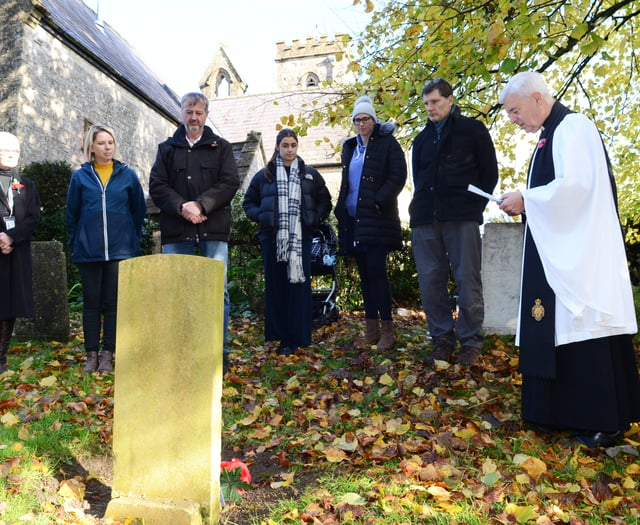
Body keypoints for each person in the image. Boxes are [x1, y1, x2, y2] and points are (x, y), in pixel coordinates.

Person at [498, 71, 640, 447]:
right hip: (561, 249)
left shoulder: (573, 127)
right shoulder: (551, 133)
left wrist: (527, 199)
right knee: (559, 328)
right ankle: (556, 413)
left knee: (584, 328)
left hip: (583, 257)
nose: (513, 119)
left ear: (538, 99)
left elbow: (577, 186)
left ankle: (603, 422)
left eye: (514, 110)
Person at [410, 78, 499, 366]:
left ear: (450, 99)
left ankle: (471, 343)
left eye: (434, 102)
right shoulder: (421, 140)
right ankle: (441, 340)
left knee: (468, 279)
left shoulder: (472, 130)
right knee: (430, 281)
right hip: (425, 219)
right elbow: (419, 179)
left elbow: (489, 174)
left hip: (462, 217)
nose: (430, 108)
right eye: (426, 103)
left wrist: (473, 208)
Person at [149, 92, 240, 371]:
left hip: (212, 231)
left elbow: (229, 183)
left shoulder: (221, 147)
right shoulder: (167, 149)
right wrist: (182, 207)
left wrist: (201, 204)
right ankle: (181, 349)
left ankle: (218, 351)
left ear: (206, 114)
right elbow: (157, 185)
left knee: (217, 293)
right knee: (177, 291)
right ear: (181, 113)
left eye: (199, 112)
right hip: (177, 231)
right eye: (189, 111)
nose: (193, 117)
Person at [243, 129, 332, 355]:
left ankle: (300, 337)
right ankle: (282, 338)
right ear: (277, 147)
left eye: (293, 145)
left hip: (301, 239)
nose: (289, 149)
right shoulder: (264, 175)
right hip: (272, 239)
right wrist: (263, 216)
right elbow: (249, 202)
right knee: (277, 287)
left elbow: (325, 201)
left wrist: (314, 218)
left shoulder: (309, 174)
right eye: (285, 145)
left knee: (299, 288)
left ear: (297, 147)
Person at [67, 124, 146, 374]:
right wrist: (76, 243)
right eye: (101, 143)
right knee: (91, 303)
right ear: (91, 147)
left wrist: (130, 239)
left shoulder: (127, 175)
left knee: (113, 304)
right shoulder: (80, 177)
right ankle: (90, 355)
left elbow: (138, 211)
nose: (107, 147)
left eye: (110, 142)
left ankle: (107, 356)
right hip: (89, 251)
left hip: (120, 252)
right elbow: (72, 214)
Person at [335, 95, 407, 352]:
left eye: (365, 119)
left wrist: (379, 200)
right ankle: (371, 329)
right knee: (365, 276)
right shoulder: (351, 147)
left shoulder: (387, 143)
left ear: (374, 120)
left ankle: (388, 330)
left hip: (377, 219)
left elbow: (398, 174)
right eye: (357, 119)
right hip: (354, 222)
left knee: (378, 275)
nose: (361, 123)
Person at [0, 132, 40, 374]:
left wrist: (12, 237)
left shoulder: (27, 185)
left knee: (10, 306)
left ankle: (1, 360)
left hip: (17, 252)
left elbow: (34, 217)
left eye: (15, 151)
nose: (12, 155)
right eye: (6, 151)